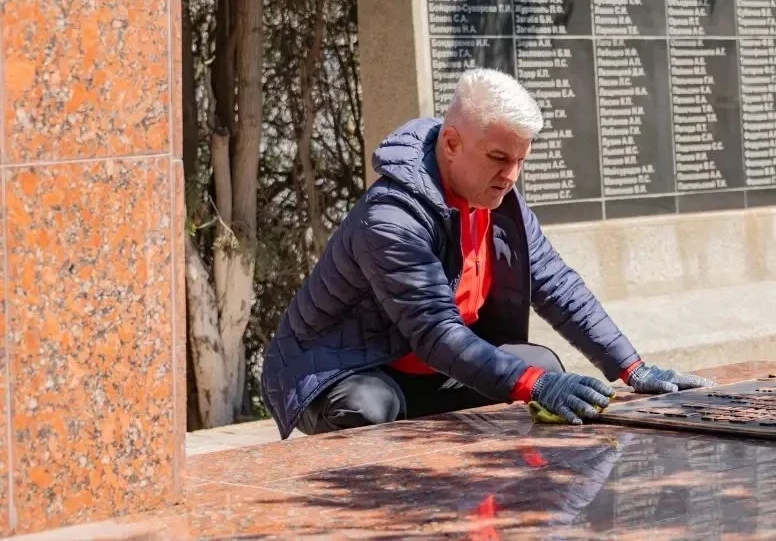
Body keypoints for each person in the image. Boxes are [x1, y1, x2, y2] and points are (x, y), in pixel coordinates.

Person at [260, 68, 714, 439]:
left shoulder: (500, 201)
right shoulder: (392, 218)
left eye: (520, 160)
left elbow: (557, 286)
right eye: (499, 158)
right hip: (344, 371)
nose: (511, 175)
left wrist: (632, 368)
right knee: (370, 409)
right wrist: (531, 385)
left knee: (542, 367)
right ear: (452, 143)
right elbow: (436, 332)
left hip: (429, 369)